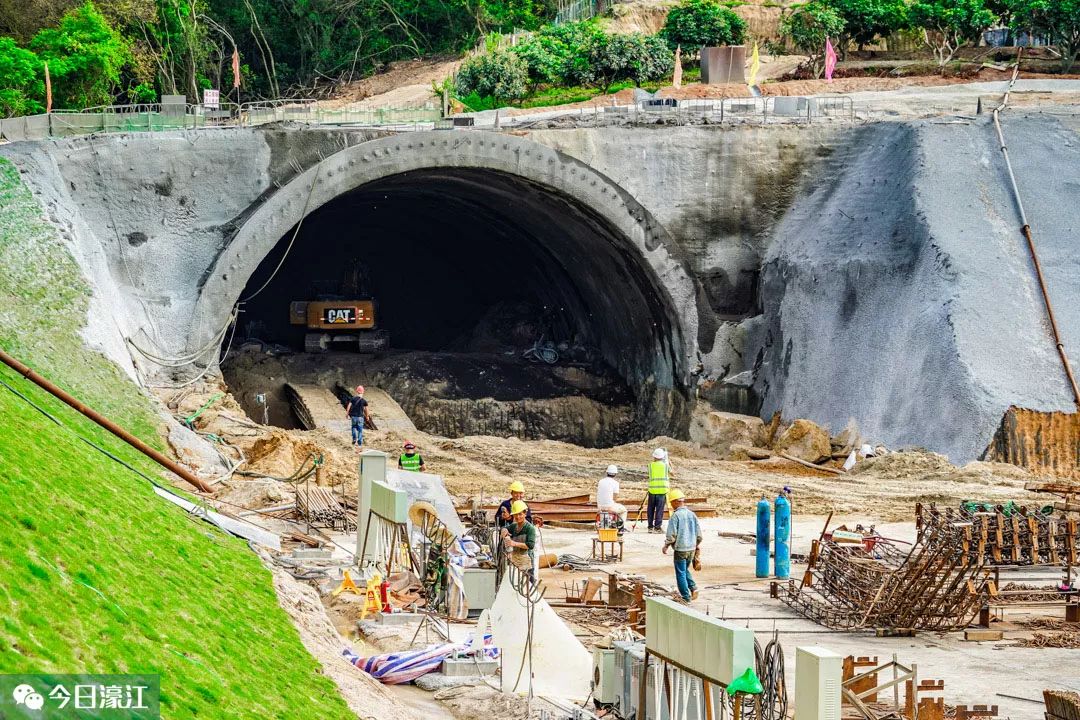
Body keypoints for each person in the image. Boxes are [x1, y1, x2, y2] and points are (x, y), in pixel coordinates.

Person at [662, 489, 701, 602]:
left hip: (681, 549)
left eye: (671, 503)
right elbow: (699, 535)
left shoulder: (676, 516)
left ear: (675, 502)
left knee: (680, 572)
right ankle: (693, 587)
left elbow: (671, 534)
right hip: (691, 549)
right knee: (684, 569)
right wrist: (696, 545)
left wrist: (666, 545)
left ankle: (685, 596)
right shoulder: (692, 514)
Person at [501, 500, 537, 581]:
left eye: (520, 514)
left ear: (525, 513)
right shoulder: (514, 526)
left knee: (527, 588)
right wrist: (504, 530)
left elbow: (530, 545)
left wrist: (514, 543)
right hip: (515, 562)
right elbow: (505, 528)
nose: (518, 517)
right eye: (515, 515)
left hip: (526, 563)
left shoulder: (530, 528)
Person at [597, 464, 627, 531]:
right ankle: (620, 528)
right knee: (624, 510)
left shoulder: (600, 482)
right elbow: (615, 497)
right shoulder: (615, 483)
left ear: (607, 472)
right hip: (610, 507)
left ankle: (611, 524)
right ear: (615, 474)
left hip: (600, 507)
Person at [647, 448, 670, 533]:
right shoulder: (666, 466)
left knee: (650, 509)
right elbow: (671, 472)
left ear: (654, 457)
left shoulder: (650, 465)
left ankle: (650, 527)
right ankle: (657, 527)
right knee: (659, 510)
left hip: (652, 490)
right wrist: (667, 460)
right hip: (662, 490)